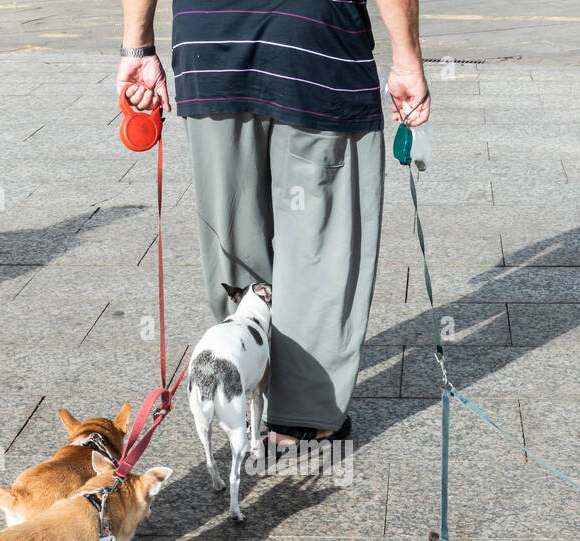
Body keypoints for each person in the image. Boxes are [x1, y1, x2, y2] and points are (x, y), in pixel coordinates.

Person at [116, 0, 430, 445]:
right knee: (320, 242)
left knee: (233, 231)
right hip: (316, 44)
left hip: (210, 45)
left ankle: (246, 377)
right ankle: (303, 416)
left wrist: (137, 46)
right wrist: (408, 60)